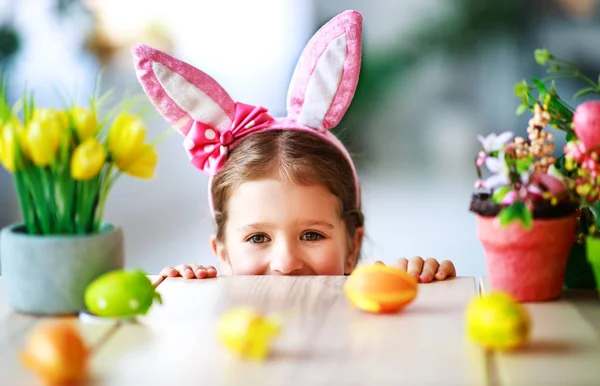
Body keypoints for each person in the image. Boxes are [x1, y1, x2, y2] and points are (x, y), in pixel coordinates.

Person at [132, 10, 456, 283]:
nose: (286, 265)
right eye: (258, 238)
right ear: (223, 254)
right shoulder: (217, 314)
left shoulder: (364, 309)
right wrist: (176, 295)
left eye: (312, 235)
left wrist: (421, 284)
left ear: (352, 248)